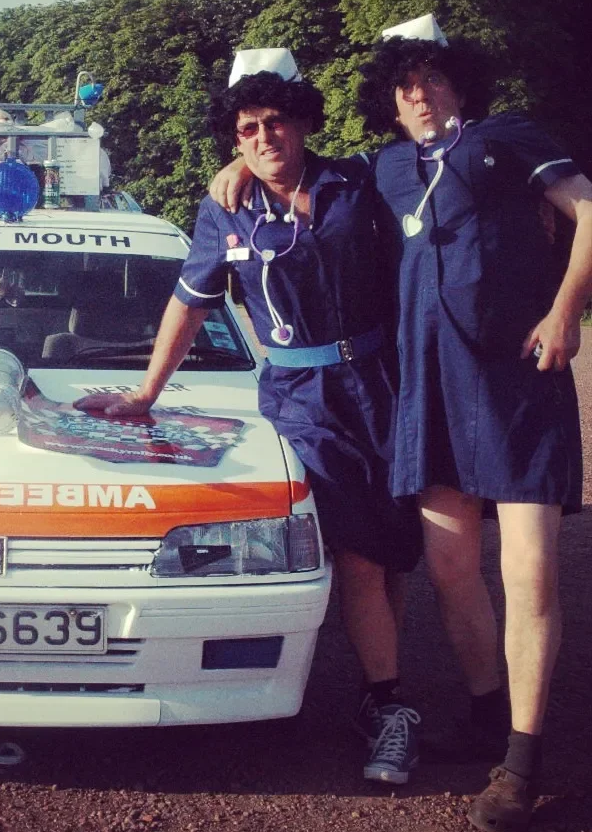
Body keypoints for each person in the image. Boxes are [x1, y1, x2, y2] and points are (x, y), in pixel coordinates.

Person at [76, 49, 424, 785]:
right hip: (302, 400)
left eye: (275, 123)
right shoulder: (225, 207)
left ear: (301, 122)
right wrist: (144, 394)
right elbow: (189, 302)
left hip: (385, 384)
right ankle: (392, 705)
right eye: (247, 130)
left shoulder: (356, 180)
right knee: (358, 555)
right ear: (233, 139)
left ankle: (379, 684)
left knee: (392, 549)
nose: (264, 139)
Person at [355, 14, 592, 832]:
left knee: (530, 577)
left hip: (519, 385)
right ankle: (488, 717)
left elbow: (590, 212)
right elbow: (300, 190)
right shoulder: (385, 166)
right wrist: (233, 174)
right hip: (430, 393)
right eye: (403, 84)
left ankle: (522, 768)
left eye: (431, 77)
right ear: (390, 102)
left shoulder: (507, 137)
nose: (418, 93)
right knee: (451, 568)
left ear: (459, 82)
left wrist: (565, 313)